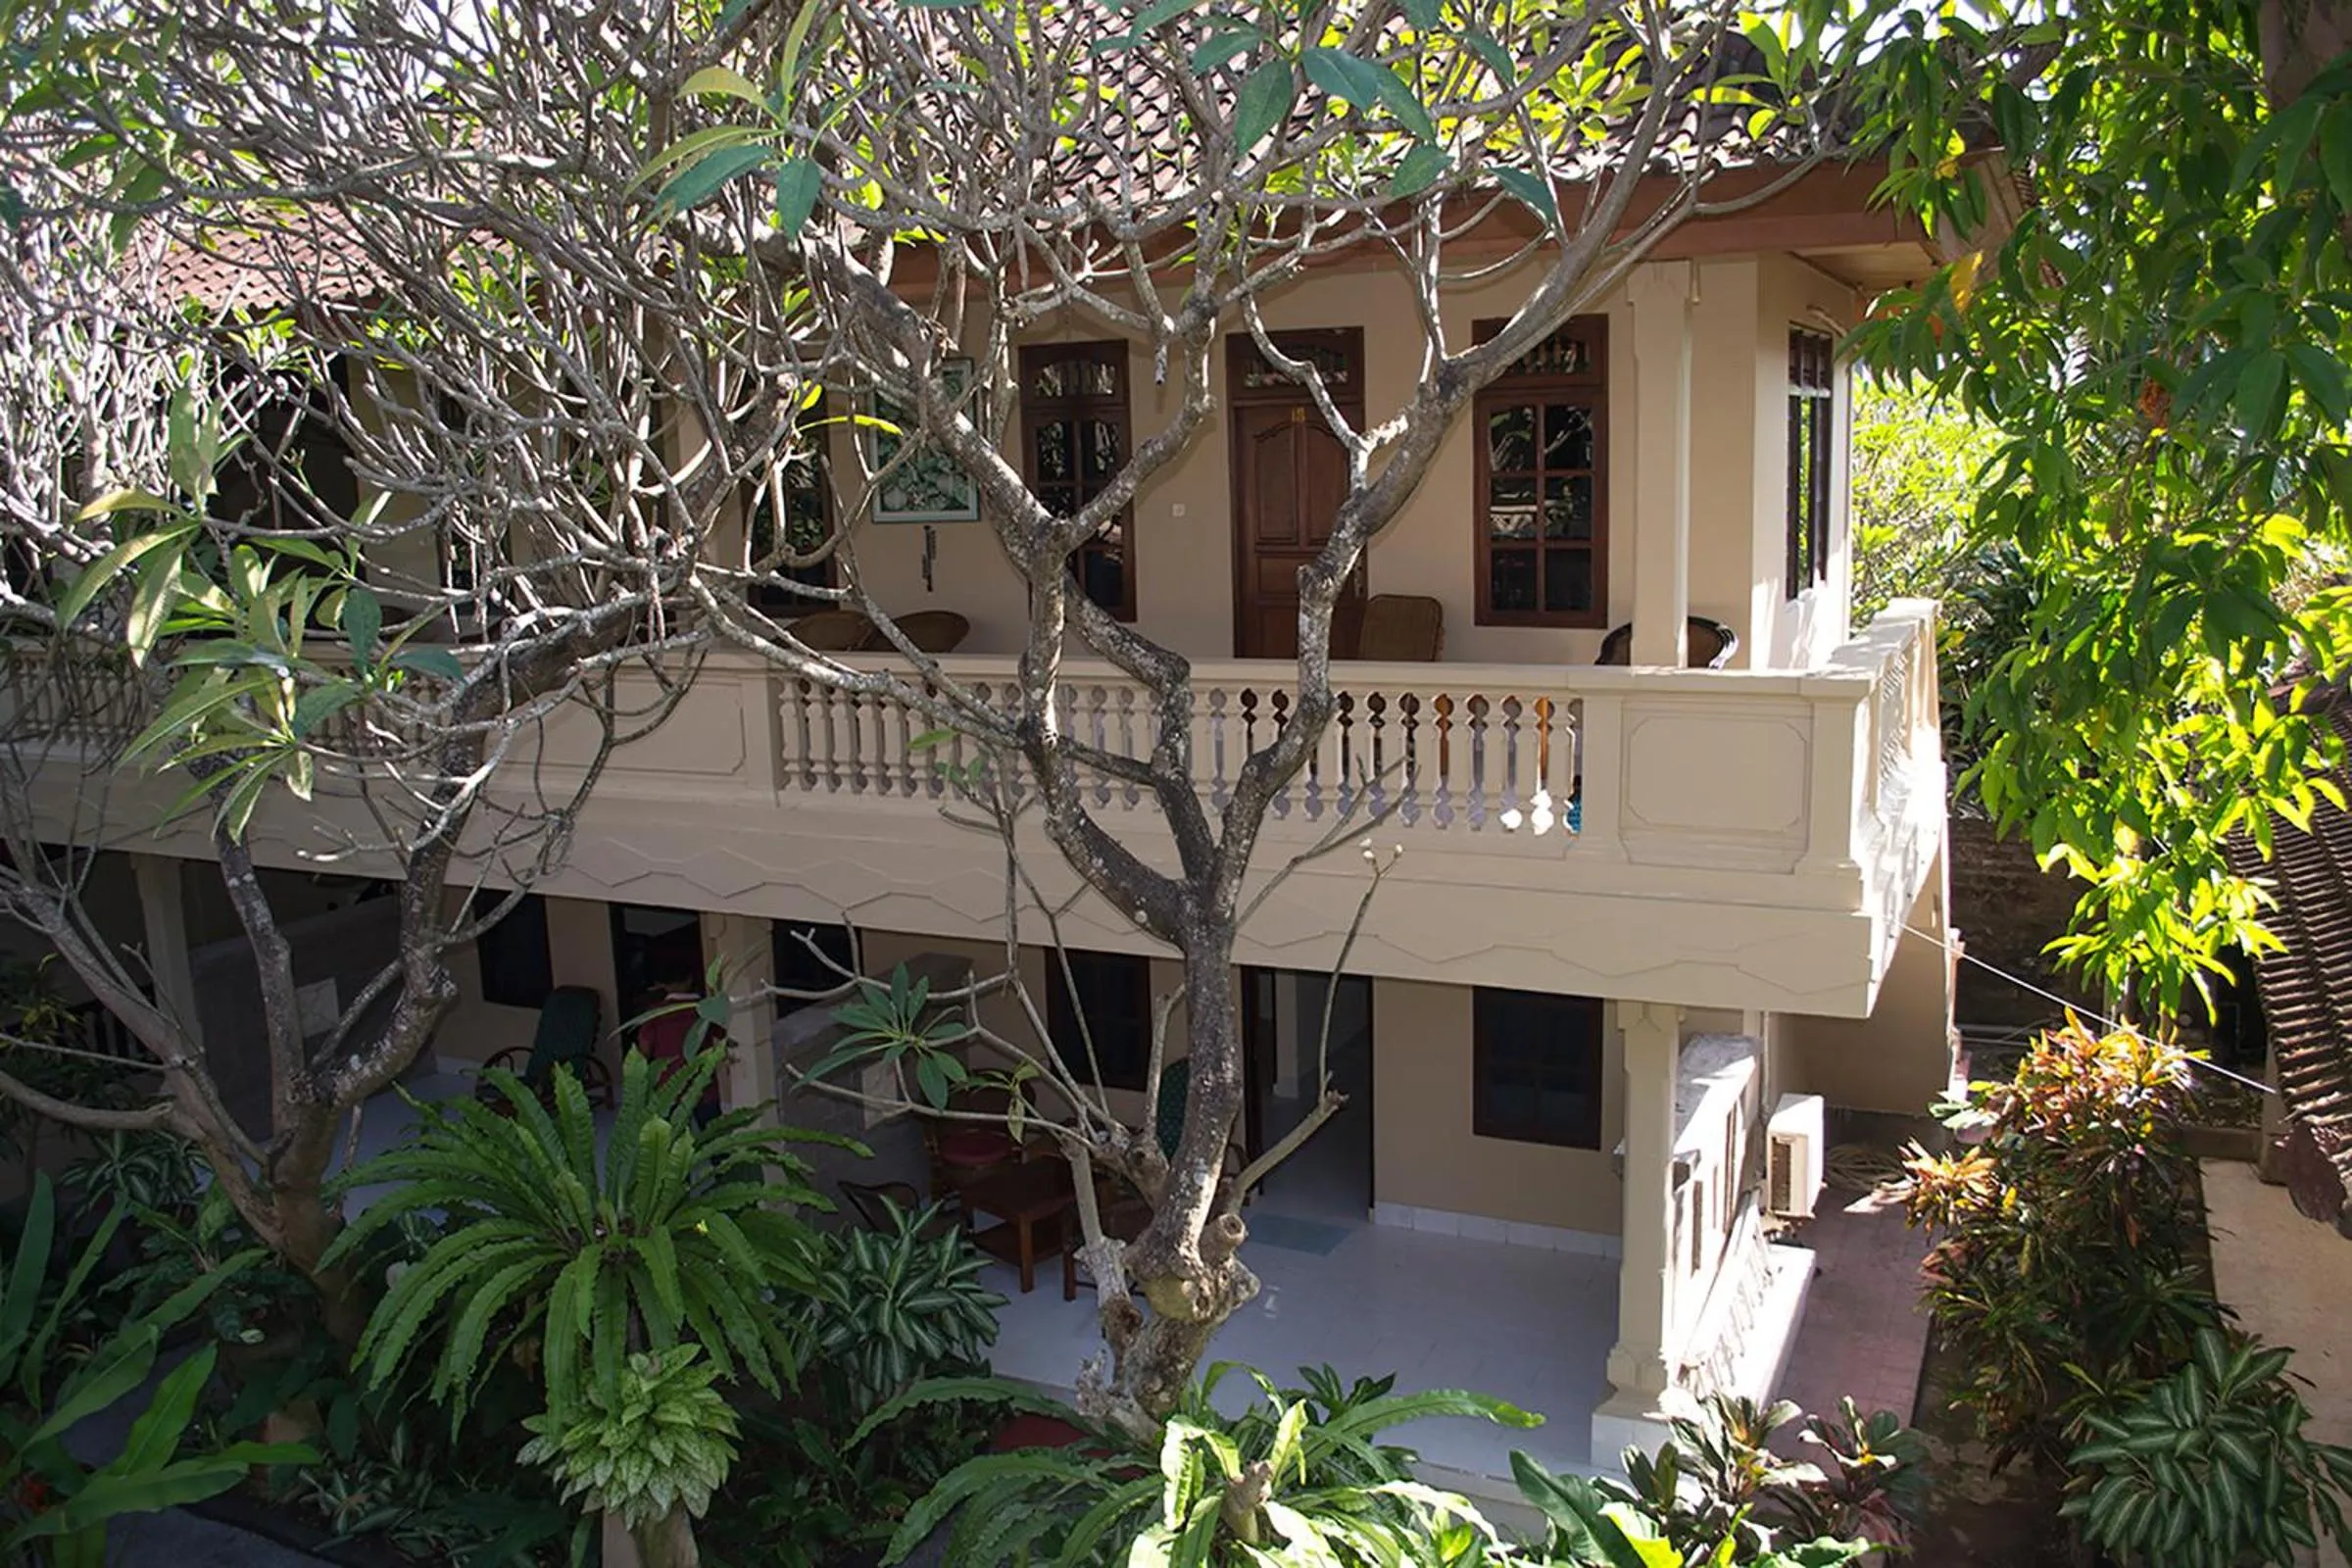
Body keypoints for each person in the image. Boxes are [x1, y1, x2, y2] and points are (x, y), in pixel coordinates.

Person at [634, 981, 727, 1128]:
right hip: (703, 1083)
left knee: (670, 1140)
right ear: (690, 980)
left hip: (669, 1086)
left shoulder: (656, 1013)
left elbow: (642, 1053)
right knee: (714, 1135)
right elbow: (723, 1033)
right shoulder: (704, 1009)